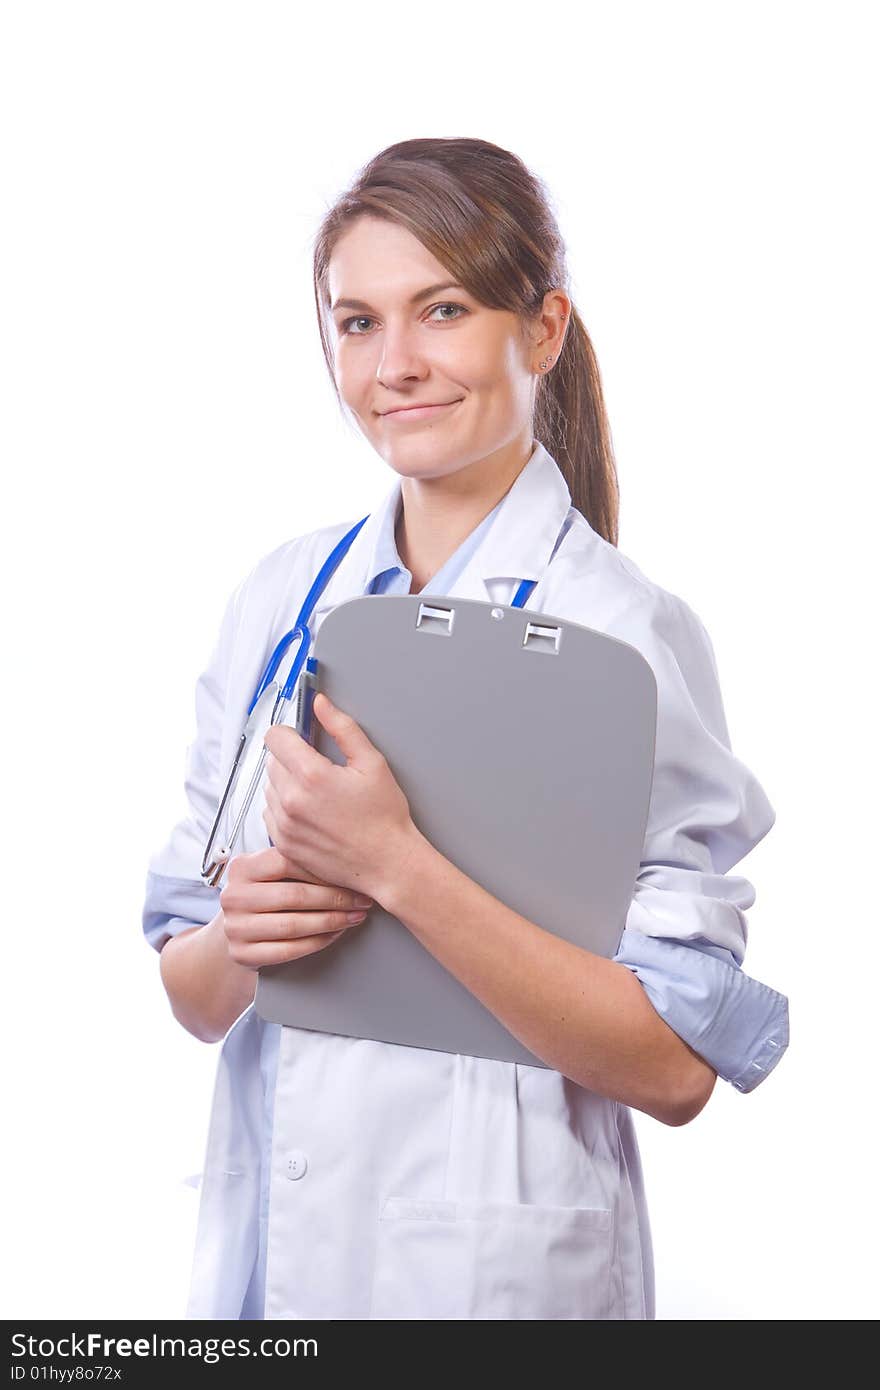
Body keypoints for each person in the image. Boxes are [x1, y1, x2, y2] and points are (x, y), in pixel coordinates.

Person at [142, 137, 790, 1321]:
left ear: (540, 331)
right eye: (356, 322)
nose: (394, 365)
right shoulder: (280, 600)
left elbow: (674, 1065)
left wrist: (393, 865)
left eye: (440, 309)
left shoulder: (623, 634)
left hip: (494, 1280)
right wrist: (245, 931)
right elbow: (192, 993)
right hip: (272, 1276)